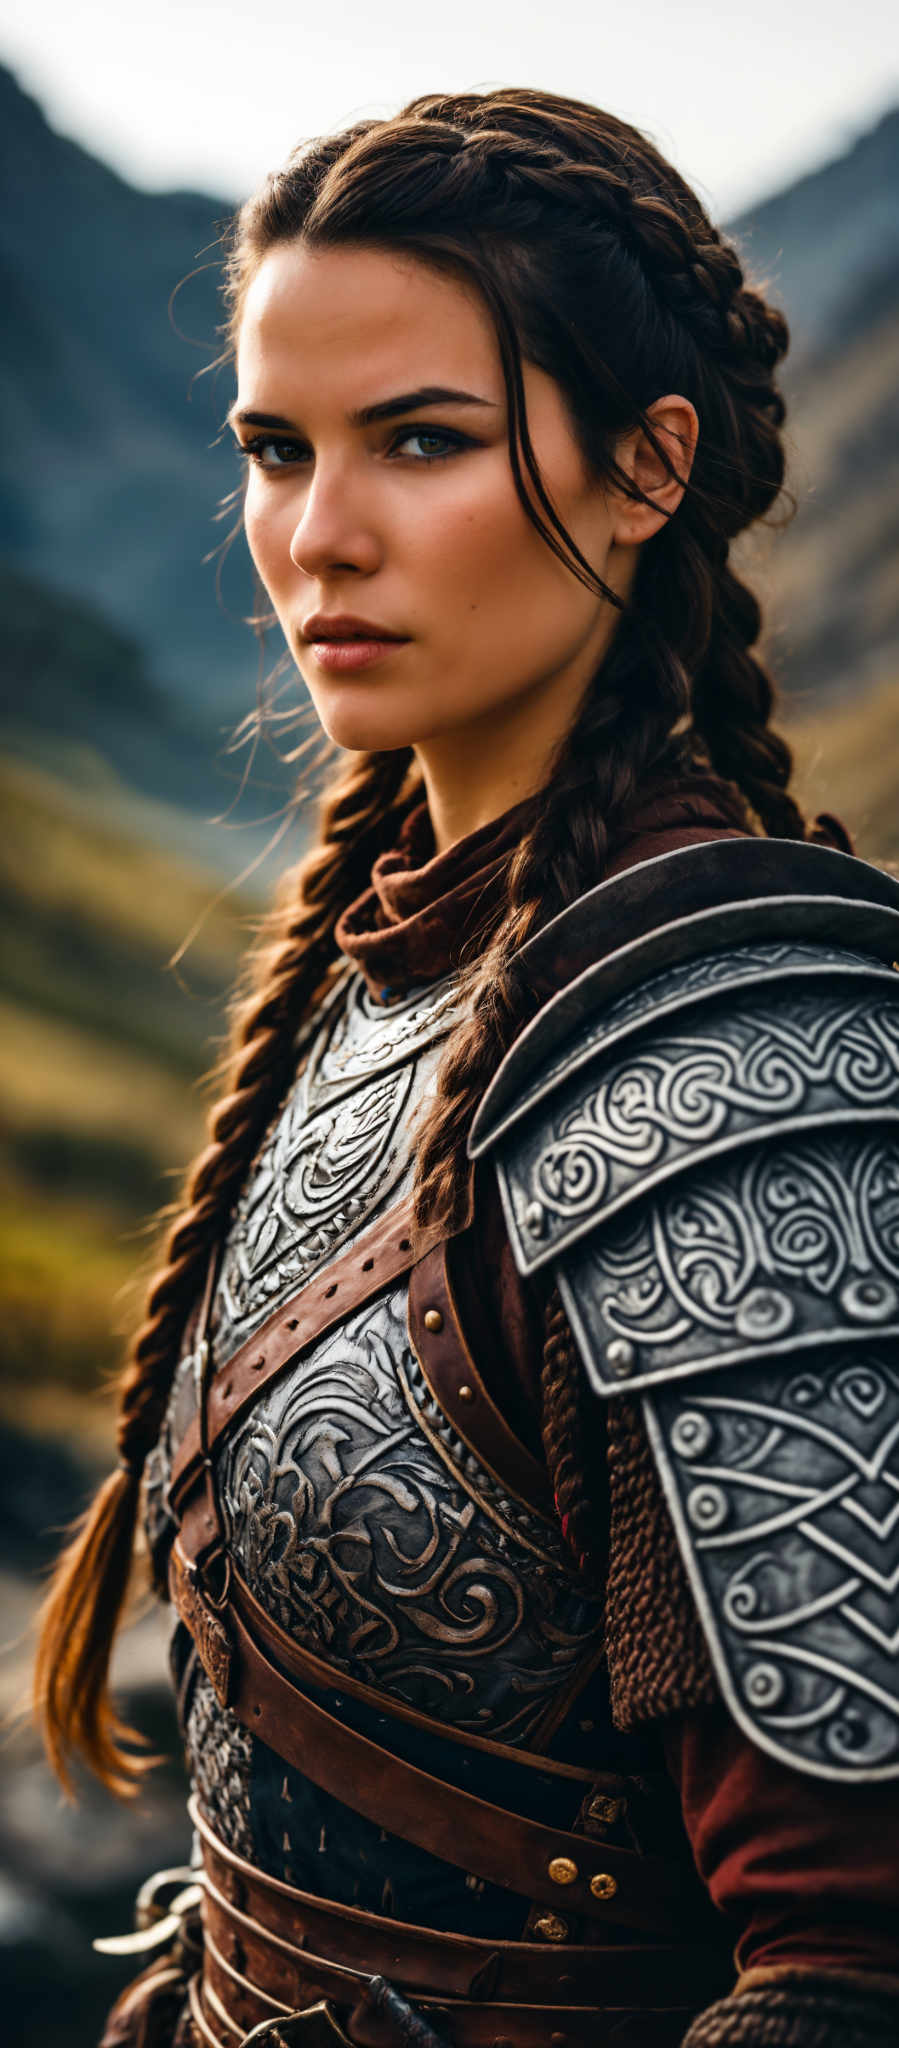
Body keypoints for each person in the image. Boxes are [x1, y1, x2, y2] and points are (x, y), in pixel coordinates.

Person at [33, 86, 899, 2048]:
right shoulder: (394, 981)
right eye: (275, 447)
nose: (314, 535)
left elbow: (851, 1966)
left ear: (644, 466)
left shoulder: (743, 1069)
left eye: (418, 441)